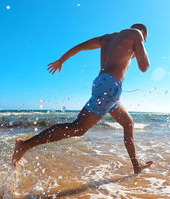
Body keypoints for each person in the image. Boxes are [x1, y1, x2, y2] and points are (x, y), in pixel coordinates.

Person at [12, 23, 153, 174]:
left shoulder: (107, 38)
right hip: (109, 88)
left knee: (128, 124)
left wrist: (61, 60)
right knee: (78, 128)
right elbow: (144, 66)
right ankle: (24, 145)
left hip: (105, 85)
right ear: (143, 32)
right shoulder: (137, 34)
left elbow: (80, 46)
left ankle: (136, 166)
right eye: (145, 39)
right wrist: (140, 45)